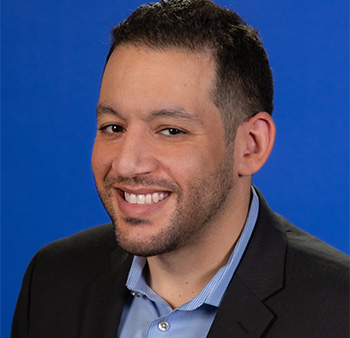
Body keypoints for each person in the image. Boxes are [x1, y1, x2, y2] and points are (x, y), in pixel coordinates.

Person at [12, 0, 349, 337]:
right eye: (113, 127)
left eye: (171, 130)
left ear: (251, 145)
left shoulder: (339, 309)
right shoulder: (52, 279)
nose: (127, 162)